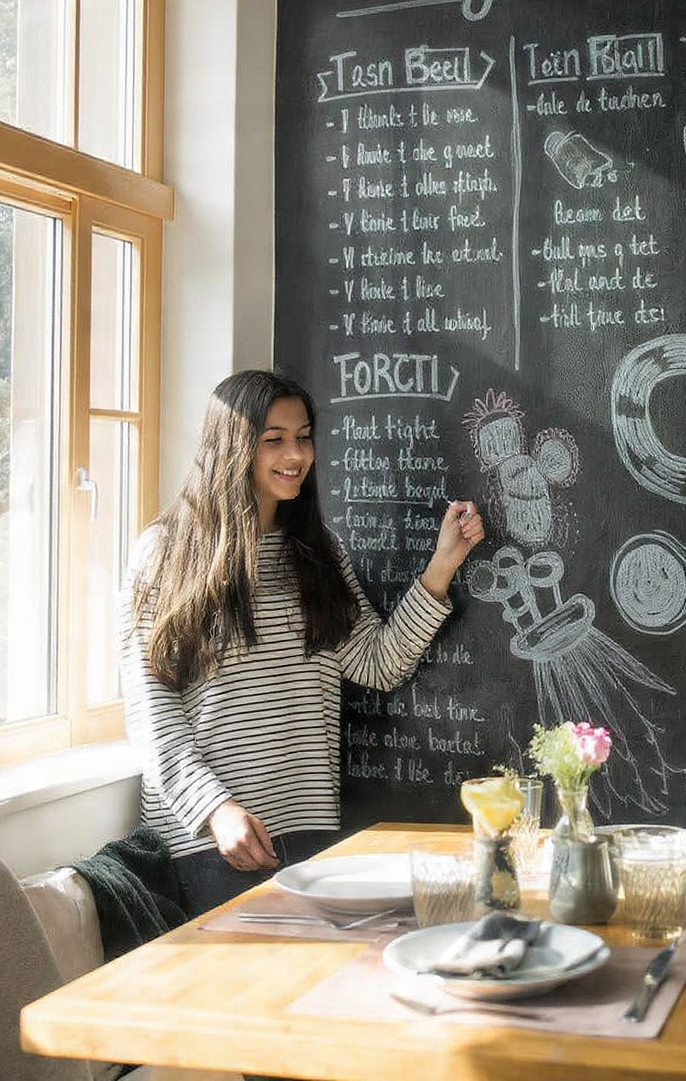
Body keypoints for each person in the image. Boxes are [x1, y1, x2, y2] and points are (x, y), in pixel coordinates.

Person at [119, 369, 484, 916]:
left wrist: (443, 564)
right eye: (275, 439)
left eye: (304, 436)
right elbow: (151, 711)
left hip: (308, 832)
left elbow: (378, 662)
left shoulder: (317, 552)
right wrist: (216, 811)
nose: (296, 454)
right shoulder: (166, 553)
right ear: (232, 445)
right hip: (213, 842)